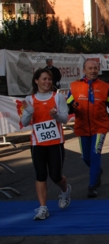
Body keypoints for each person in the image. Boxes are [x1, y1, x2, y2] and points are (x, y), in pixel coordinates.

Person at [67, 59, 109, 198]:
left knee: (95, 154)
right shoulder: (74, 86)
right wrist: (69, 108)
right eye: (90, 68)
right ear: (83, 70)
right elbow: (67, 105)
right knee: (85, 157)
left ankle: (92, 185)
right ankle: (97, 172)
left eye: (95, 68)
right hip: (82, 127)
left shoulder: (105, 87)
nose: (93, 71)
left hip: (100, 126)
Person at [21, 68, 71, 219]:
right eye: (44, 79)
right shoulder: (29, 100)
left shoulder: (58, 98)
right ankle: (43, 207)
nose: (47, 82)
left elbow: (65, 119)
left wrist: (56, 115)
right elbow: (24, 122)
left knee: (55, 176)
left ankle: (65, 190)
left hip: (55, 142)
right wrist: (29, 111)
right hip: (38, 143)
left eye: (49, 79)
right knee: (40, 175)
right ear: (36, 80)